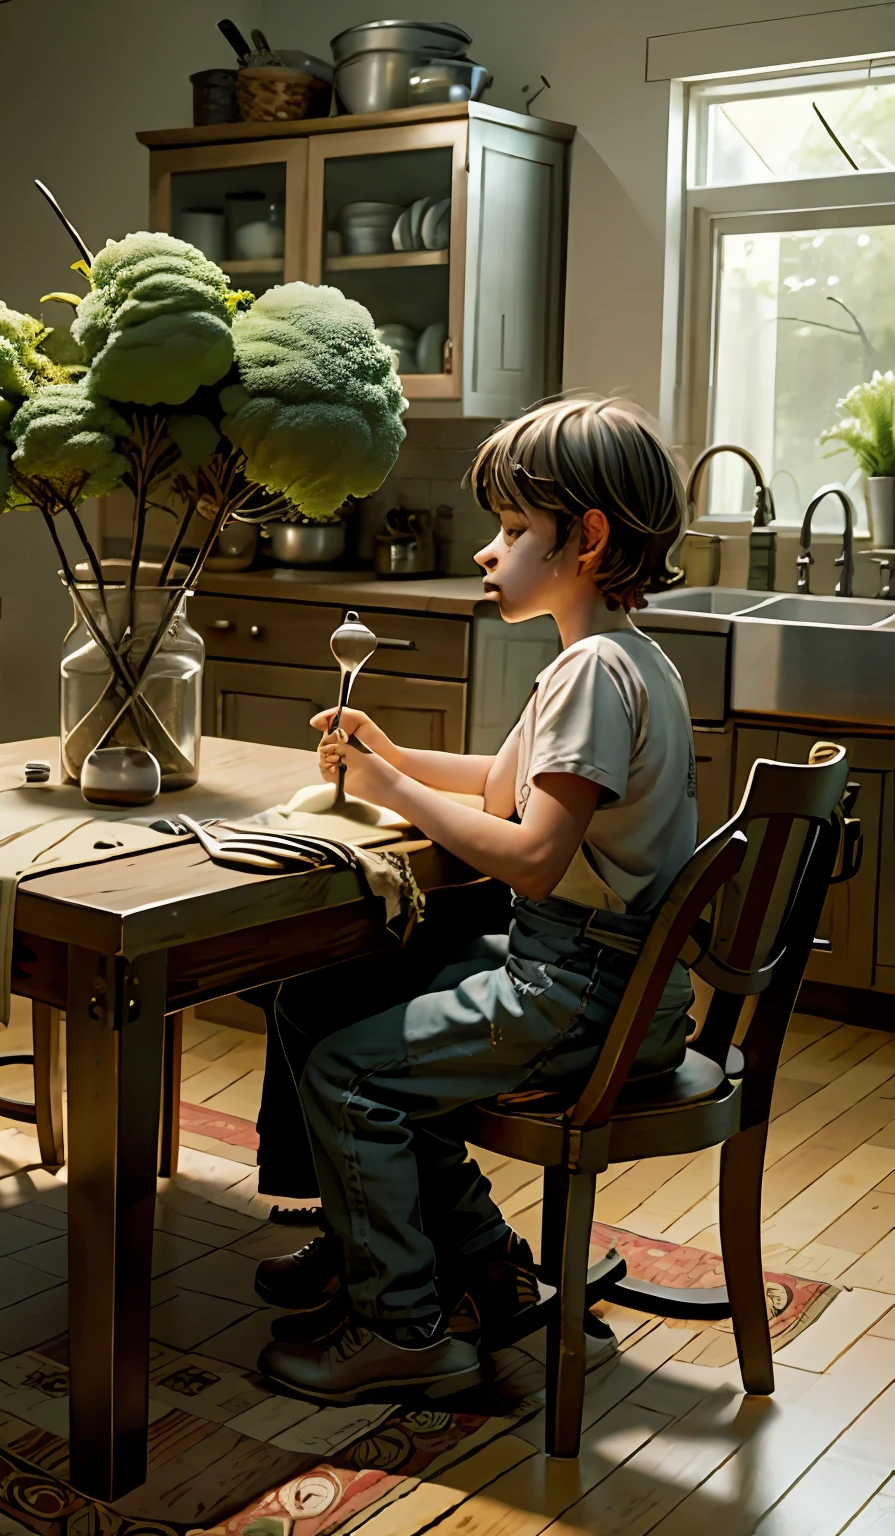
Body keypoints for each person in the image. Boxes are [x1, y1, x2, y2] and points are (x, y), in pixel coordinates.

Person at [256, 397, 698, 1403]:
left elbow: (535, 857)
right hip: (599, 979)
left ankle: (402, 1324)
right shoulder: (623, 655)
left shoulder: (591, 670)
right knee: (323, 1003)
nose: (488, 555)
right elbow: (507, 789)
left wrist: (393, 792)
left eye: (510, 531)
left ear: (586, 538)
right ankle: (479, 1263)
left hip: (576, 991)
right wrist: (394, 755)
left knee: (348, 1071)